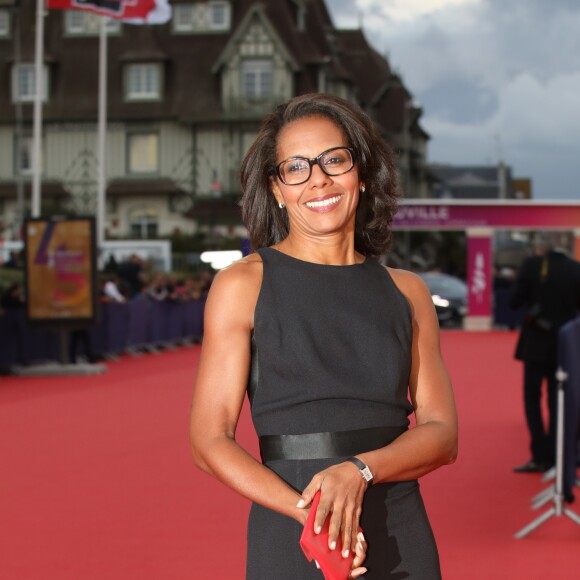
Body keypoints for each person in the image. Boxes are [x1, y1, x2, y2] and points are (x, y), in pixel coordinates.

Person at [189, 93, 458, 579]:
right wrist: (307, 515)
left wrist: (359, 471)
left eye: (334, 160)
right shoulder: (243, 285)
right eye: (296, 167)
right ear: (276, 188)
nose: (319, 179)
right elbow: (209, 440)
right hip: (292, 525)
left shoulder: (408, 292)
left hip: (398, 524)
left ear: (360, 172)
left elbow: (442, 435)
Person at [510, 235, 580, 473]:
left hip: (535, 345)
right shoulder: (575, 269)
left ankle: (540, 456)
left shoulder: (532, 266)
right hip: (566, 347)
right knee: (558, 399)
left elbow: (513, 301)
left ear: (541, 247)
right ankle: (560, 453)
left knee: (532, 399)